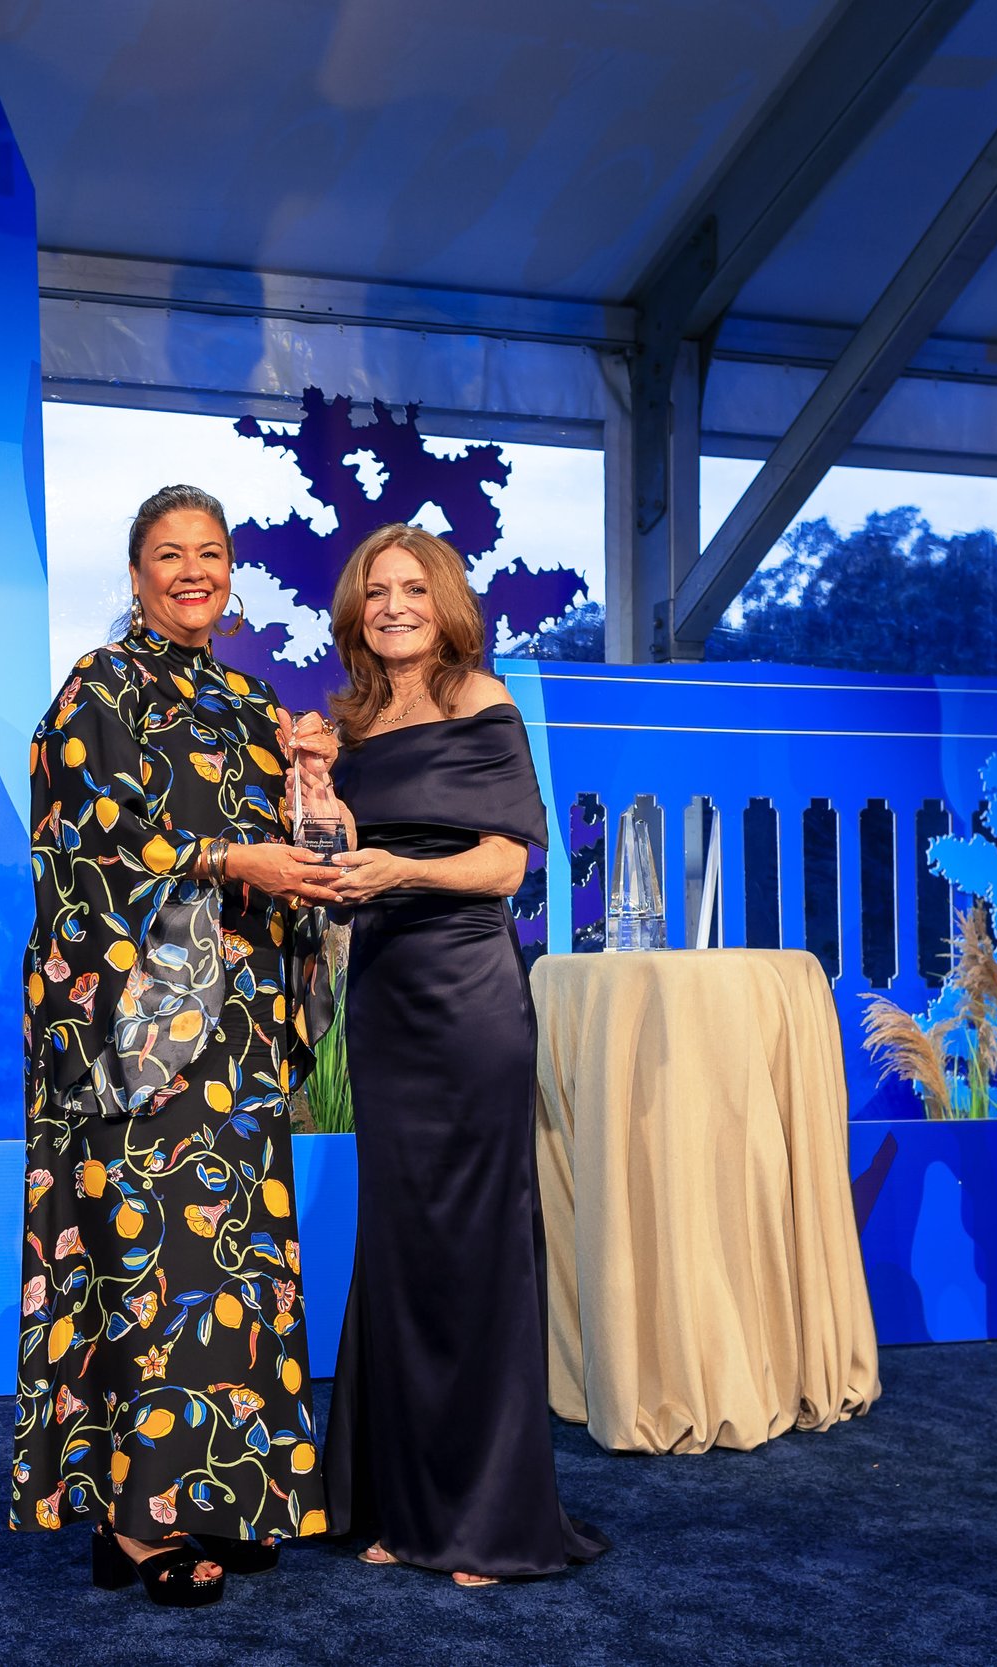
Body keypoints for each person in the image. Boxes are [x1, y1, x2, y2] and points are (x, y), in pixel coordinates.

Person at [10, 484, 341, 1608]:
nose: (192, 571)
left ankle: (223, 1492)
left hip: (239, 1021)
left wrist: (310, 781)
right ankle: (137, 1524)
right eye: (168, 554)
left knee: (234, 1263)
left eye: (209, 553)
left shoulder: (252, 700)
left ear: (230, 572)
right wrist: (225, 861)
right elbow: (86, 845)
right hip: (138, 1029)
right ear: (136, 572)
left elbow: (299, 849)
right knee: (145, 1263)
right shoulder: (97, 687)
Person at [301, 521, 606, 1587]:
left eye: (413, 589)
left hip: (469, 996)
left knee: (473, 1246)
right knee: (399, 1245)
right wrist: (317, 797)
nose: (394, 606)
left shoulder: (482, 700)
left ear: (446, 604)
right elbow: (336, 856)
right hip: (384, 998)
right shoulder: (350, 721)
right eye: (376, 590)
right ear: (356, 609)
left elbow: (503, 866)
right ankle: (402, 1503)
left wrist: (400, 872)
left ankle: (488, 1518)